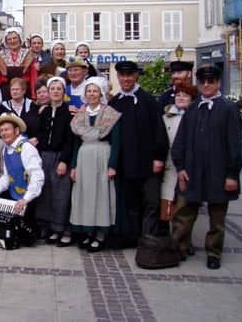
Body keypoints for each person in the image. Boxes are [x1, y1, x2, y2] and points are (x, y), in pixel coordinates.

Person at [172, 65, 242, 269]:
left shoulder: (228, 109)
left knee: (217, 217)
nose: (206, 85)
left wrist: (232, 174)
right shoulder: (193, 108)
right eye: (202, 81)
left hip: (219, 171)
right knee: (184, 213)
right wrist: (180, 167)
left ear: (218, 83)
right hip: (192, 170)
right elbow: (181, 141)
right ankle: (179, 247)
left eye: (210, 81)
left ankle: (214, 252)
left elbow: (235, 145)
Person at [108, 60, 168, 248]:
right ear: (118, 78)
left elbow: (159, 129)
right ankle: (133, 236)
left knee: (151, 201)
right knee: (130, 202)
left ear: (136, 76)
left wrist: (159, 156)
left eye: (129, 76)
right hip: (125, 163)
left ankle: (149, 237)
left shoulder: (148, 100)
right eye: (122, 76)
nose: (126, 79)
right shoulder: (115, 102)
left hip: (147, 162)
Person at [69, 77, 121, 252]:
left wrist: (112, 165)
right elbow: (76, 143)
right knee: (85, 195)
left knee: (101, 195)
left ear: (101, 94)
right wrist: (74, 166)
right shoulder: (80, 115)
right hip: (84, 157)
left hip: (102, 156)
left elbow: (117, 142)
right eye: (89, 91)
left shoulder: (110, 113)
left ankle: (100, 234)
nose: (91, 94)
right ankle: (89, 232)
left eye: (95, 91)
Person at [35, 77, 74, 245]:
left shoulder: (68, 112)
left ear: (64, 92)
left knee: (61, 194)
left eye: (59, 89)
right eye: (53, 89)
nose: (56, 91)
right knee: (46, 192)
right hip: (45, 155)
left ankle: (62, 228)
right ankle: (49, 227)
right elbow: (41, 134)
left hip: (60, 156)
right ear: (49, 92)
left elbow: (70, 139)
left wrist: (64, 160)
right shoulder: (44, 111)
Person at [0, 113, 44, 221]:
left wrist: (25, 200)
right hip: (14, 197)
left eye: (7, 130)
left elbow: (37, 177)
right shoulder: (5, 149)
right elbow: (7, 176)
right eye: (1, 130)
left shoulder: (26, 148)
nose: (3, 133)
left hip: (29, 200)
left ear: (16, 131)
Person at [161, 83, 197, 227]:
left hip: (188, 166)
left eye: (185, 95)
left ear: (192, 99)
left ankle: (183, 242)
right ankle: (167, 239)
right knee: (167, 202)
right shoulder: (166, 117)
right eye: (178, 95)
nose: (181, 97)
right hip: (169, 165)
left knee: (185, 207)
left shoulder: (196, 117)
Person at [0, 27, 38, 100]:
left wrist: (34, 95)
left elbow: (34, 77)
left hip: (25, 91)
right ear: (6, 41)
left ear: (20, 39)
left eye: (15, 38)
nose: (12, 41)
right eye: (9, 39)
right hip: (5, 92)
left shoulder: (29, 55)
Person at [0, 77, 40, 146]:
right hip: (8, 144)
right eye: (12, 89)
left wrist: (36, 138)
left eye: (17, 89)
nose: (14, 92)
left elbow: (38, 126)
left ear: (24, 91)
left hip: (29, 144)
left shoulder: (32, 106)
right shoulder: (3, 107)